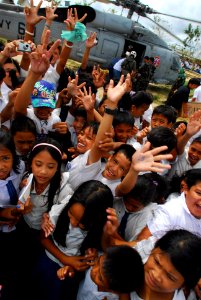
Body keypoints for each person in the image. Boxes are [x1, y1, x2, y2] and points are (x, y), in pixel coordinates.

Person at [32, 180, 114, 300]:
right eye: (70, 214)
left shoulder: (100, 228)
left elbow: (99, 248)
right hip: (49, 261)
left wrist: (90, 255)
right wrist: (66, 259)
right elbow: (43, 238)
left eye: (82, 223)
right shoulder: (59, 212)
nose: (73, 223)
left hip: (71, 274)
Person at [128, 229, 201, 300]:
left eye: (170, 277)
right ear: (153, 249)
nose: (156, 276)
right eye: (157, 262)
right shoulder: (143, 251)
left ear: (183, 286)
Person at [70, 245, 143, 300]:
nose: (94, 270)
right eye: (98, 262)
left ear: (114, 291)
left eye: (100, 278)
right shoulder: (96, 259)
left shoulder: (113, 297)